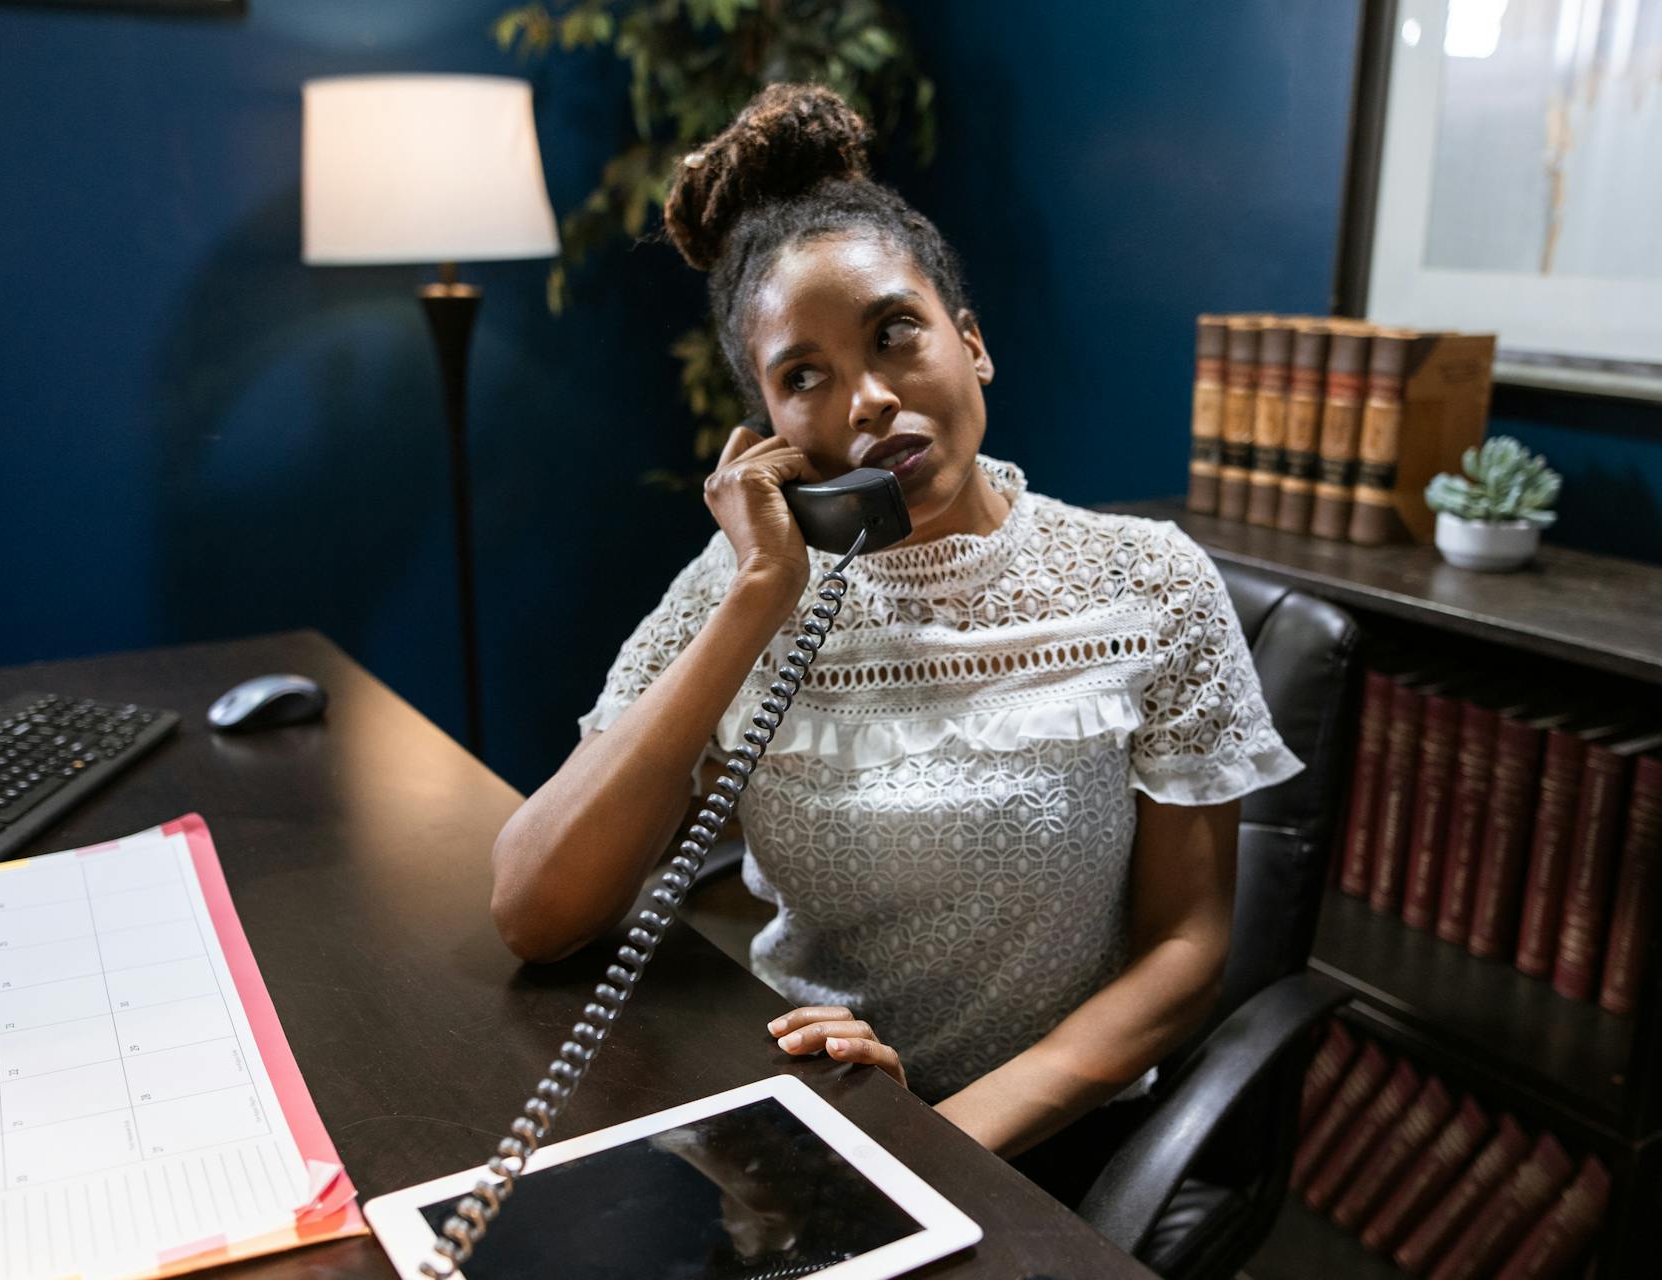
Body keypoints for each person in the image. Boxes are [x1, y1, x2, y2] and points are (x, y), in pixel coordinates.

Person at [488, 82, 1304, 1208]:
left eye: (895, 334)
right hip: (808, 1103)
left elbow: (1187, 949)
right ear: (766, 432)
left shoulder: (1148, 582)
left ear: (971, 345)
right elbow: (535, 907)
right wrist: (761, 590)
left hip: (1038, 1131)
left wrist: (932, 1143)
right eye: (804, 375)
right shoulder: (739, 591)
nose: (867, 400)